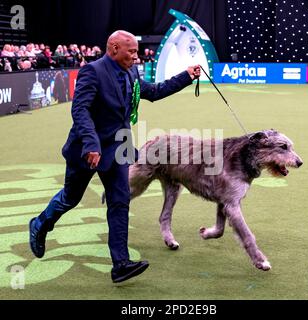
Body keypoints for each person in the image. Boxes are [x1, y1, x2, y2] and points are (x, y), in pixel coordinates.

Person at [29, 30, 200, 283]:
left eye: (136, 51)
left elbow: (153, 91)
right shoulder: (92, 71)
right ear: (113, 48)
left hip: (118, 149)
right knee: (70, 198)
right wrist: (91, 144)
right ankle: (40, 224)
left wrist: (186, 76)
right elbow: (80, 110)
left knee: (120, 202)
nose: (136, 56)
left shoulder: (131, 72)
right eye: (131, 51)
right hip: (87, 151)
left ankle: (120, 264)